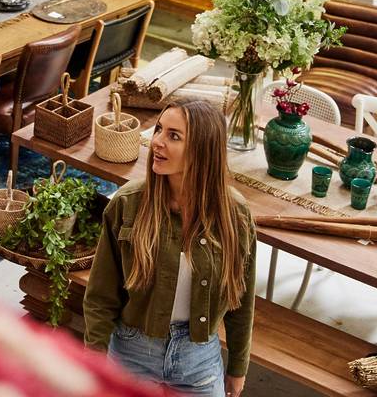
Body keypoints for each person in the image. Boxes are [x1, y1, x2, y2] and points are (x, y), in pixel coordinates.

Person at [83, 100, 256, 397]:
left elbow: (241, 299)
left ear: (203, 150)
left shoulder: (235, 215)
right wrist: (93, 361)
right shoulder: (127, 204)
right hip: (130, 350)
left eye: (174, 136)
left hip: (198, 358)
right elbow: (100, 296)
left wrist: (238, 367)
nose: (157, 142)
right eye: (160, 129)